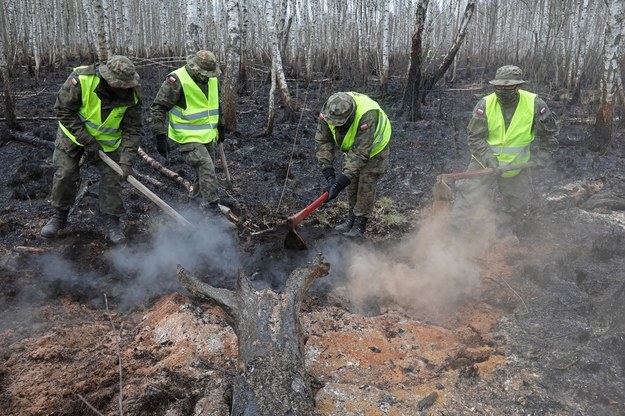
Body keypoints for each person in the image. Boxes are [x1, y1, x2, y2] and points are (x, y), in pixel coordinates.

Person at [41, 55, 142, 244]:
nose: (122, 88)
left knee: (113, 179)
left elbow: (133, 129)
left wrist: (127, 160)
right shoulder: (82, 79)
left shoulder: (133, 93)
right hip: (72, 136)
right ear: (107, 78)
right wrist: (87, 140)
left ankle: (112, 222)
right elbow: (63, 110)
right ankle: (59, 218)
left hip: (107, 144)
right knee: (66, 173)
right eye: (118, 84)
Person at [451, 65, 559, 239]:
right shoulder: (485, 104)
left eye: (508, 87)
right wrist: (489, 160)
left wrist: (542, 157)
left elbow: (550, 135)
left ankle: (503, 234)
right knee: (467, 198)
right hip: (483, 162)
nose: (503, 90)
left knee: (516, 203)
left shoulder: (535, 104)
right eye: (499, 87)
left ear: (518, 86)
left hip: (516, 165)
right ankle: (455, 240)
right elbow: (474, 138)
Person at [149, 50, 225, 215]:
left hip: (207, 134)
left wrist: (221, 125)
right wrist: (160, 136)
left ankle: (194, 206)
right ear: (195, 68)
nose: (207, 77)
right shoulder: (176, 80)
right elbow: (158, 108)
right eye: (204, 73)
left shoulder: (213, 80)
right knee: (206, 167)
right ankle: (212, 211)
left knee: (203, 174)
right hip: (187, 136)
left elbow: (217, 105)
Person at [315, 91, 392, 238]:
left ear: (350, 116)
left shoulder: (367, 115)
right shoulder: (328, 111)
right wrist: (329, 176)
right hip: (354, 149)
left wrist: (338, 185)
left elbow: (360, 154)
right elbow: (323, 142)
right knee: (351, 184)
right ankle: (351, 219)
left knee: (365, 184)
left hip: (375, 149)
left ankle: (359, 225)